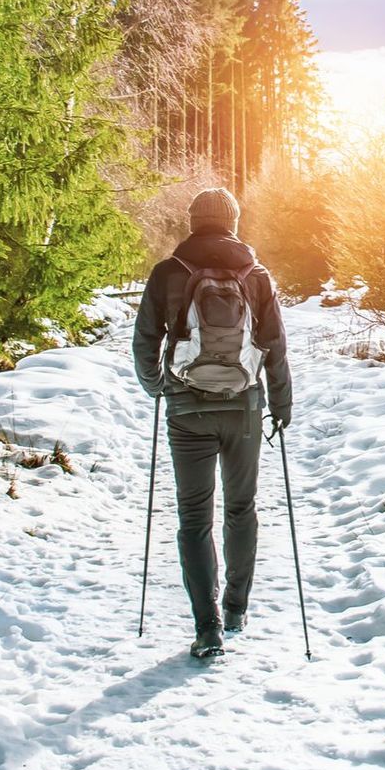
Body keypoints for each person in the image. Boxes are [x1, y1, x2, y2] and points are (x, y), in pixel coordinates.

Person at [132, 187, 292, 658]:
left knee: (194, 518)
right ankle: (237, 606)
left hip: (187, 409)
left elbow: (145, 341)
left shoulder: (168, 273)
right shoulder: (256, 275)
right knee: (242, 509)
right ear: (233, 223)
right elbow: (275, 345)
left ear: (192, 222)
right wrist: (281, 405)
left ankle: (208, 627)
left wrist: (157, 386)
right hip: (244, 407)